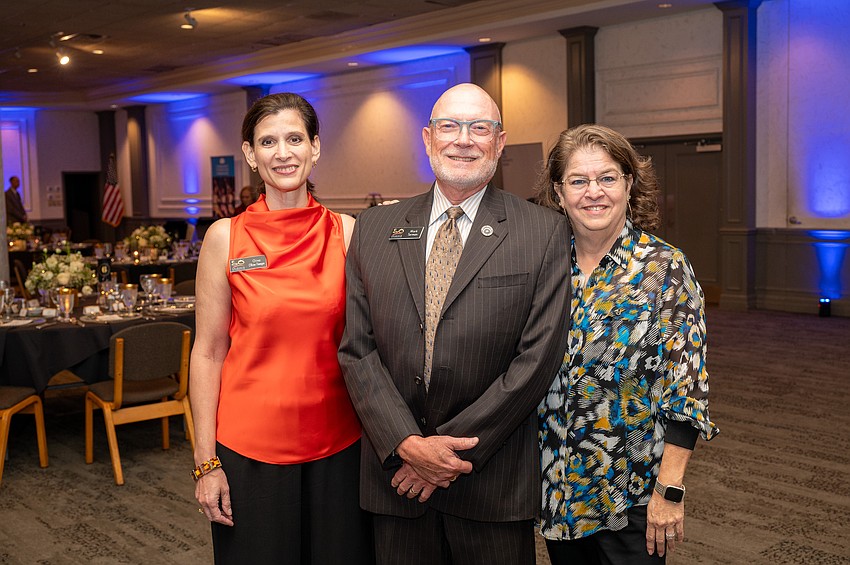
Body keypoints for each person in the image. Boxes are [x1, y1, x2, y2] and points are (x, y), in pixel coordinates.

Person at [338, 83, 571, 565]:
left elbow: (537, 359)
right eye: (449, 126)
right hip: (397, 482)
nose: (463, 139)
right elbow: (358, 350)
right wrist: (406, 444)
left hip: (490, 484)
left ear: (500, 143)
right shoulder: (375, 228)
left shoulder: (542, 231)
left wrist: (441, 458)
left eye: (479, 127)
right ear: (427, 138)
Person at [190, 92, 373, 564]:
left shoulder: (348, 232)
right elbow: (207, 354)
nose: (283, 152)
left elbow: (368, 345)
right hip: (249, 451)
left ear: (315, 147)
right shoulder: (224, 238)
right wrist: (205, 463)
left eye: (295, 138)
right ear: (250, 155)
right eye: (268, 141)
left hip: (339, 446)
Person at [535, 124, 719, 564]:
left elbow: (687, 389)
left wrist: (669, 492)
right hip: (558, 489)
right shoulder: (544, 265)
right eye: (578, 181)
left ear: (629, 184)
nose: (593, 192)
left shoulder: (664, 268)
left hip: (631, 496)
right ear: (559, 193)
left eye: (607, 178)